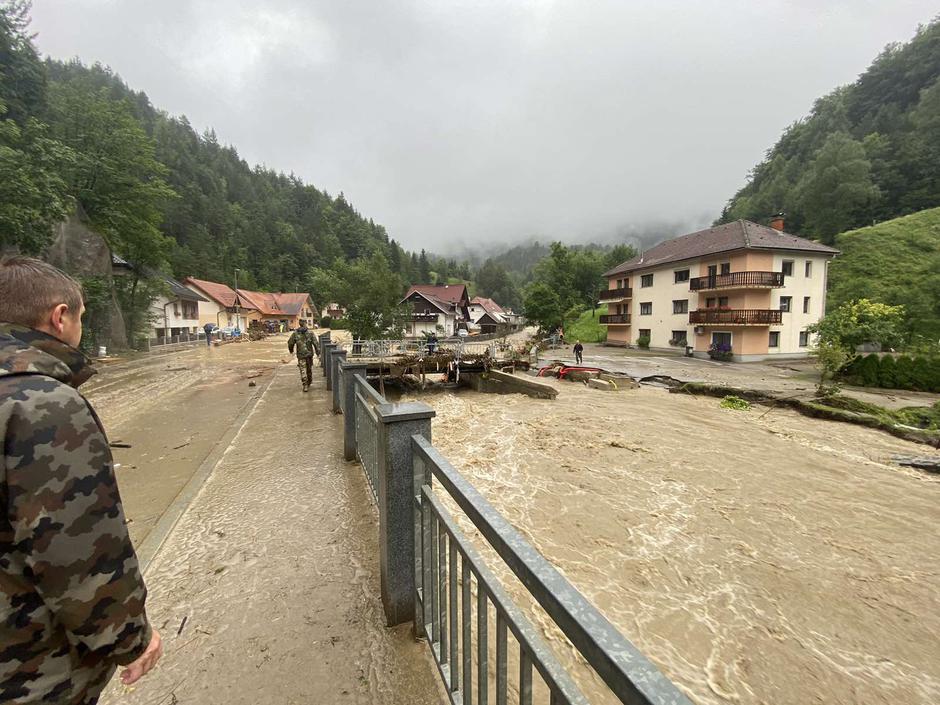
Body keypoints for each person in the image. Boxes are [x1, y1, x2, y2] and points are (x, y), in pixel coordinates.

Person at [0, 256, 162, 704]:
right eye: (81, 318)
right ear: (59, 317)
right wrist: (129, 639)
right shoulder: (43, 403)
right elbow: (75, 546)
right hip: (25, 667)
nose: (80, 331)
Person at [287, 319, 317, 392]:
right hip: (309, 354)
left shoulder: (295, 333)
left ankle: (305, 385)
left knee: (303, 370)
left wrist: (291, 351)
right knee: (309, 369)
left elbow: (290, 343)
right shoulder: (310, 333)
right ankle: (309, 381)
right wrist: (318, 353)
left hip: (301, 355)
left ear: (299, 324)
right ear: (305, 323)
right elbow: (316, 343)